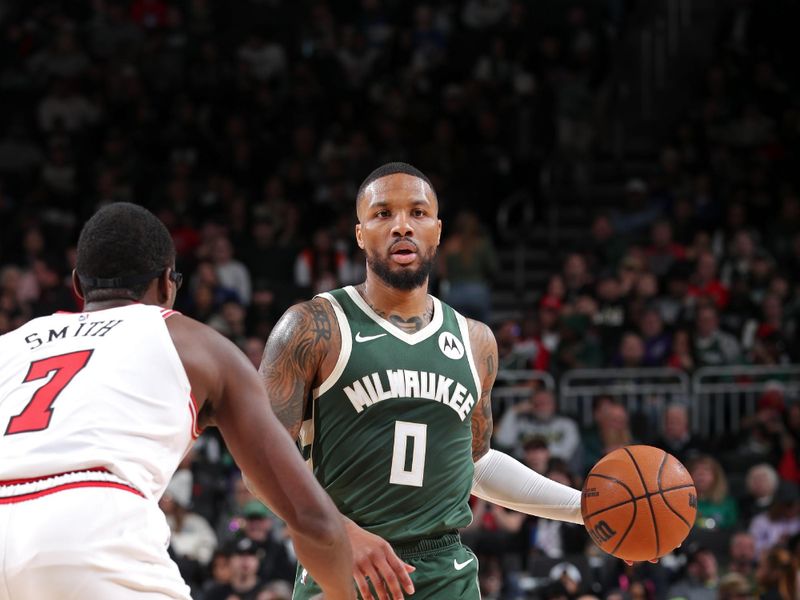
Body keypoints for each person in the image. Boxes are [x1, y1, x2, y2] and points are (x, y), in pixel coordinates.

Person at [259, 162, 586, 600]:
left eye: (417, 212)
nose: (401, 226)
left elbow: (475, 464)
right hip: (341, 563)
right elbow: (259, 461)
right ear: (360, 234)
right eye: (382, 214)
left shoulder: (476, 341)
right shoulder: (313, 326)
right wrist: (339, 532)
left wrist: (585, 507)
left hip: (445, 572)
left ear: (437, 230)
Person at [0, 202, 354, 600]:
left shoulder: (10, 345)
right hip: (92, 527)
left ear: (78, 286)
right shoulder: (195, 344)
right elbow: (313, 521)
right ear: (168, 284)